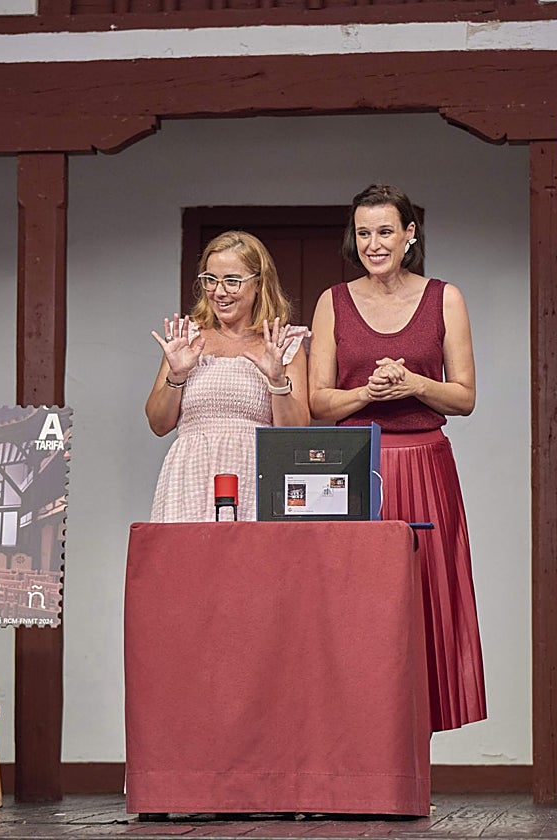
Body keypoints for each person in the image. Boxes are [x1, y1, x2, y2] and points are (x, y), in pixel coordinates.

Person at [308, 184, 485, 731]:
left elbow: (465, 398)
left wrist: (413, 384)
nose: (374, 244)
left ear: (410, 234)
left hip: (426, 464)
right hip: (354, 467)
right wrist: (368, 393)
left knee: (425, 599)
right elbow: (317, 403)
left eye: (385, 231)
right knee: (353, 605)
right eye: (363, 233)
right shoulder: (333, 302)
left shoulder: (445, 298)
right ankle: (356, 737)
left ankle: (415, 746)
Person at [146, 230, 309, 522]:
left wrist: (277, 381)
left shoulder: (283, 343)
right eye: (210, 279)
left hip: (256, 476)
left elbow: (295, 432)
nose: (219, 292)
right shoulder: (188, 338)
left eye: (232, 281)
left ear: (259, 283)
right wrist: (177, 376)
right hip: (189, 478)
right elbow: (158, 424)